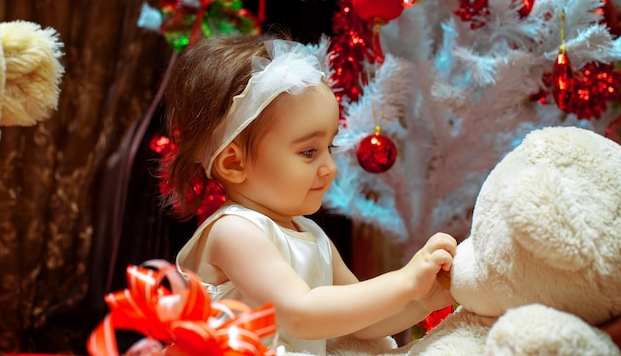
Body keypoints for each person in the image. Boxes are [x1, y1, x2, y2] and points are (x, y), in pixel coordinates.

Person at [162, 33, 457, 355]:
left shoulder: (311, 233)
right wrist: (405, 282)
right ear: (234, 162)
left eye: (329, 147)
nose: (329, 167)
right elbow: (300, 314)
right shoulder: (233, 232)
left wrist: (419, 301)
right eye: (308, 152)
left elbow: (358, 322)